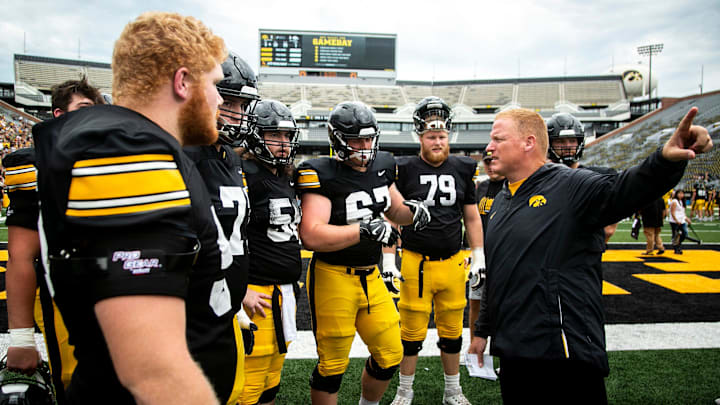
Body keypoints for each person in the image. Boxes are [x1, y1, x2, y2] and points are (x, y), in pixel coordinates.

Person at [32, 12, 236, 404]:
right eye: (214, 84)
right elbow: (153, 372)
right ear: (183, 82)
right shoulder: (126, 149)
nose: (220, 99)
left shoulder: (136, 141)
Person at [468, 107, 712, 404]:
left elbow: (626, 189)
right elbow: (499, 272)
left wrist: (664, 160)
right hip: (514, 354)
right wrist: (482, 332)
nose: (489, 147)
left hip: (564, 357)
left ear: (528, 142)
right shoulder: (502, 199)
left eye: (498, 138)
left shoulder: (571, 185)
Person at [295, 101, 430, 405]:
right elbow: (311, 234)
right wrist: (363, 230)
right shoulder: (320, 172)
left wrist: (413, 212)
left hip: (371, 276)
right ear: (337, 139)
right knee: (332, 366)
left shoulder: (382, 163)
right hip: (333, 275)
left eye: (369, 138)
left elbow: (395, 208)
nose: (365, 146)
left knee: (391, 353)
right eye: (356, 139)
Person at [4, 78, 104, 402]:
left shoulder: (112, 161)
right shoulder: (36, 165)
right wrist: (21, 336)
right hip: (67, 302)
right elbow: (21, 256)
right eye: (83, 110)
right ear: (59, 115)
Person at [389, 96, 483, 405]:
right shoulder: (402, 169)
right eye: (431, 136)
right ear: (420, 136)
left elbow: (471, 215)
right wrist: (389, 257)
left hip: (453, 262)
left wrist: (478, 253)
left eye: (442, 136)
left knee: (452, 332)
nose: (438, 141)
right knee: (411, 334)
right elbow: (389, 213)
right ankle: (405, 391)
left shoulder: (463, 167)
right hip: (416, 262)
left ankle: (453, 390)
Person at [183, 51, 262, 403]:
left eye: (243, 106)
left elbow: (231, 237)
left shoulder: (228, 156)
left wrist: (237, 294)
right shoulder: (182, 153)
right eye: (230, 102)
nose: (239, 114)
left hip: (223, 309)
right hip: (191, 317)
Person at [239, 99, 303, 405]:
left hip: (283, 291)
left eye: (287, 136)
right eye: (275, 135)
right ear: (255, 134)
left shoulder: (283, 175)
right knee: (248, 384)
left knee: (271, 381)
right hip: (256, 289)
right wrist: (240, 290)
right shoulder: (243, 175)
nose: (283, 143)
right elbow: (227, 236)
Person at [545, 112, 618, 244]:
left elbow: (609, 230)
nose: (567, 146)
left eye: (572, 140)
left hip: (582, 256)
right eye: (560, 141)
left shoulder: (597, 177)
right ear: (550, 144)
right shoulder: (541, 178)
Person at [468, 150, 505, 340]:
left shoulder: (513, 186)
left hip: (504, 256)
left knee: (504, 305)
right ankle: (474, 348)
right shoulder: (481, 188)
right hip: (481, 255)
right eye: (487, 162)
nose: (490, 166)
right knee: (475, 301)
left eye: (494, 161)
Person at [668, 189, 700, 254]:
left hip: (682, 220)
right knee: (675, 235)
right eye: (679, 193)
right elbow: (672, 212)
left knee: (685, 233)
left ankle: (678, 243)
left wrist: (686, 219)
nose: (681, 195)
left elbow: (682, 212)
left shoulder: (682, 201)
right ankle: (676, 247)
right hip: (674, 221)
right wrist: (676, 220)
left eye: (682, 193)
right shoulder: (674, 201)